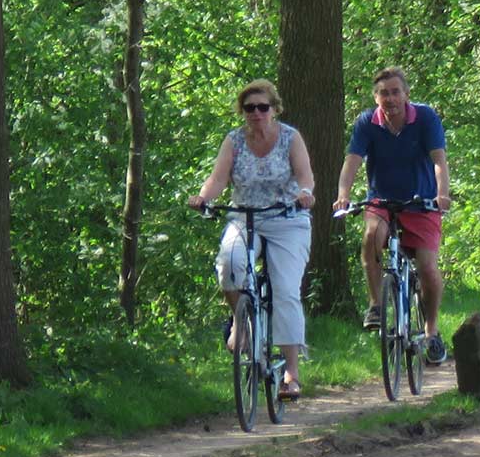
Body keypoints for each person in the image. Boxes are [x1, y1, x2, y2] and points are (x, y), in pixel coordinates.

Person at [188, 80, 316, 399]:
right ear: (242, 112)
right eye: (250, 108)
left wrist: (305, 193)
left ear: (274, 109)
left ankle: (290, 373)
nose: (256, 113)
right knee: (229, 265)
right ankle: (240, 321)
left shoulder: (290, 137)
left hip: (287, 219)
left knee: (286, 291)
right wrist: (204, 197)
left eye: (263, 107)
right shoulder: (234, 141)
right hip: (245, 217)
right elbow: (218, 178)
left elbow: (305, 174)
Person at [334, 67, 453, 365]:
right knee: (372, 236)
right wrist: (343, 194)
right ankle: (376, 305)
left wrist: (442, 194)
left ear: (406, 94)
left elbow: (439, 160)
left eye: (395, 92)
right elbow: (352, 161)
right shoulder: (366, 123)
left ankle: (432, 331)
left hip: (422, 202)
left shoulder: (425, 117)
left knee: (427, 268)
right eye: (384, 93)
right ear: (376, 98)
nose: (390, 98)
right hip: (382, 201)